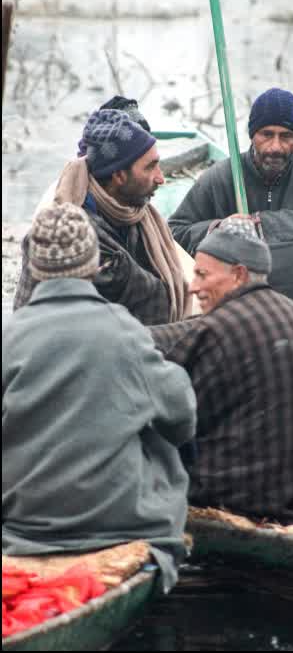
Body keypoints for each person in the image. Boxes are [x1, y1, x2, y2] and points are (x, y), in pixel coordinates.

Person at [3, 205, 196, 592]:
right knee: (159, 429)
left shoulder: (9, 339)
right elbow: (183, 415)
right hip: (118, 523)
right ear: (94, 265)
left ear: (36, 269)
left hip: (23, 525)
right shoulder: (123, 330)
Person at [147, 220, 293, 524]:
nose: (193, 287)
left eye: (202, 274)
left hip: (240, 498)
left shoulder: (217, 330)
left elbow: (171, 422)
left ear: (238, 275)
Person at [169, 88, 293, 316]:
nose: (275, 147)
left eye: (286, 136)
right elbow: (175, 232)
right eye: (266, 134)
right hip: (234, 296)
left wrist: (261, 224)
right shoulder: (223, 175)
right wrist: (221, 228)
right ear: (252, 135)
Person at [14, 109, 191, 325]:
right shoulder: (71, 234)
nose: (161, 178)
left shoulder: (135, 214)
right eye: (150, 167)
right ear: (119, 175)